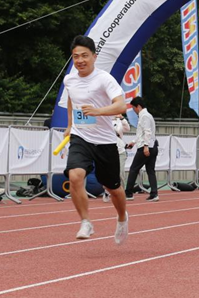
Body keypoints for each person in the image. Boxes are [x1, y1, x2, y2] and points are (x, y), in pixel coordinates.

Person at [63, 35, 129, 243]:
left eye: (84, 56)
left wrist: (98, 111)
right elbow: (72, 100)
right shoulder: (69, 80)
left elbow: (121, 106)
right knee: (74, 176)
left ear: (94, 56)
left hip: (105, 141)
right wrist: (69, 125)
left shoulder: (104, 79)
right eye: (76, 57)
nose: (80, 60)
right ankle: (85, 221)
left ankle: (121, 218)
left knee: (113, 189)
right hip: (80, 136)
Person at [123, 97, 159, 202]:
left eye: (133, 108)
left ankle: (128, 193)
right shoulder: (146, 115)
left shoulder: (144, 116)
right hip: (152, 146)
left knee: (134, 169)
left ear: (138, 106)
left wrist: (146, 146)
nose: (133, 111)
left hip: (146, 147)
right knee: (150, 170)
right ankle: (154, 193)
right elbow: (143, 133)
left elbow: (147, 132)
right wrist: (134, 142)